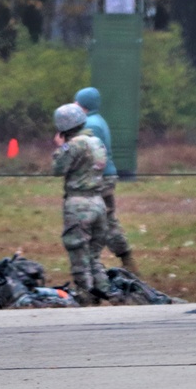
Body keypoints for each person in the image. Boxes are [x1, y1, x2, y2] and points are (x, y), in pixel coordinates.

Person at [51, 103, 111, 306]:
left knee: (78, 252)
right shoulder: (96, 142)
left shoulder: (74, 144)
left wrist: (61, 147)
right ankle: (104, 290)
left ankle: (86, 296)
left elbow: (58, 168)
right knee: (94, 254)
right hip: (98, 202)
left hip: (79, 204)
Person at [74, 87, 137, 275]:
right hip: (105, 177)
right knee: (107, 220)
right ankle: (125, 259)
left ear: (84, 105)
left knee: (94, 222)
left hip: (98, 179)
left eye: (77, 103)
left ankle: (94, 265)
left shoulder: (90, 125)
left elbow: (90, 155)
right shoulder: (97, 121)